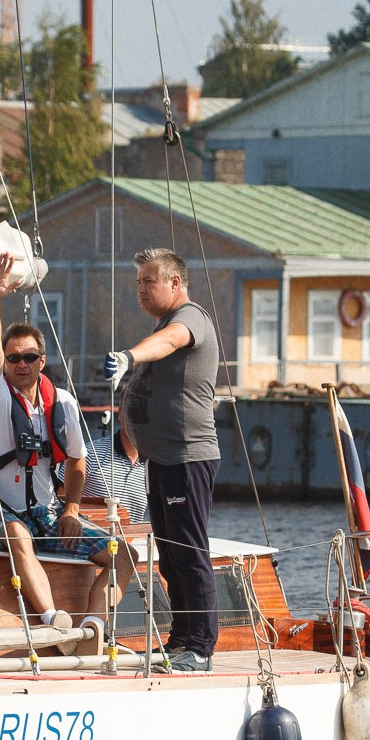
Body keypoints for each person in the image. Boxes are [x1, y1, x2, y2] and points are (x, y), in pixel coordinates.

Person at [0, 254, 126, 629]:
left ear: (42, 360)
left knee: (125, 556)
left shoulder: (64, 402)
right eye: (13, 358)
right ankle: (52, 617)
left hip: (47, 513)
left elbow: (77, 461)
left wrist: (71, 509)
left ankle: (94, 624)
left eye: (29, 357)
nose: (20, 364)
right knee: (16, 533)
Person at [103, 248, 221, 673]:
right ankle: (182, 640)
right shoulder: (164, 323)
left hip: (187, 456)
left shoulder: (189, 319)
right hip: (163, 460)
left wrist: (129, 358)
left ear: (175, 282)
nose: (140, 289)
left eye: (148, 281)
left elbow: (169, 342)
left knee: (189, 552)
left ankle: (202, 647)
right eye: (137, 283)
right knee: (170, 557)